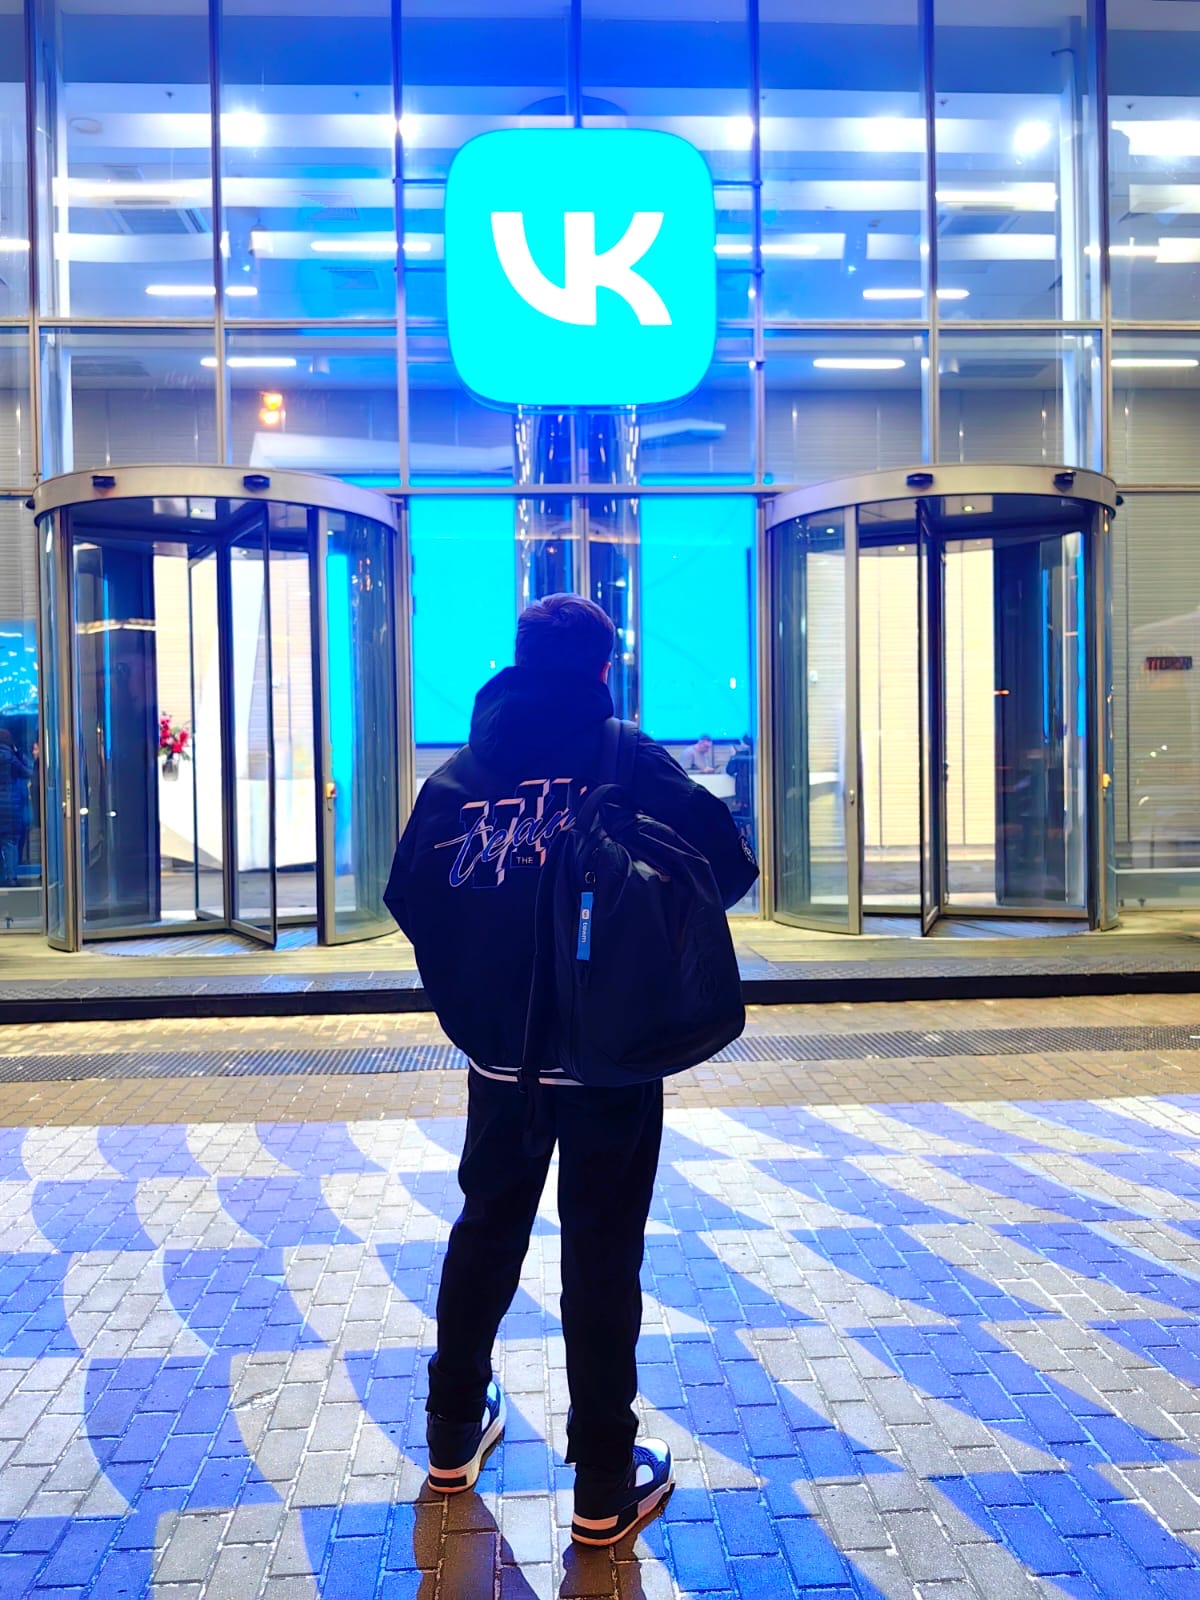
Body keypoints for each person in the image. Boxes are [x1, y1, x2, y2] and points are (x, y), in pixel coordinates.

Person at [384, 594, 757, 1547]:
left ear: (517, 660)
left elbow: (409, 894)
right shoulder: (627, 758)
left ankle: (450, 1435)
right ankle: (601, 1483)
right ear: (602, 667)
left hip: (501, 1063)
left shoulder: (461, 774)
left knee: (485, 1231)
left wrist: (483, 995)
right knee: (601, 1255)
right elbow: (728, 864)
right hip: (611, 1059)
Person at [0, 730, 33, 887]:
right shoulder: (11, 758)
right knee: (10, 842)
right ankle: (11, 878)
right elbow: (28, 771)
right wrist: (18, 752)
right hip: (10, 807)